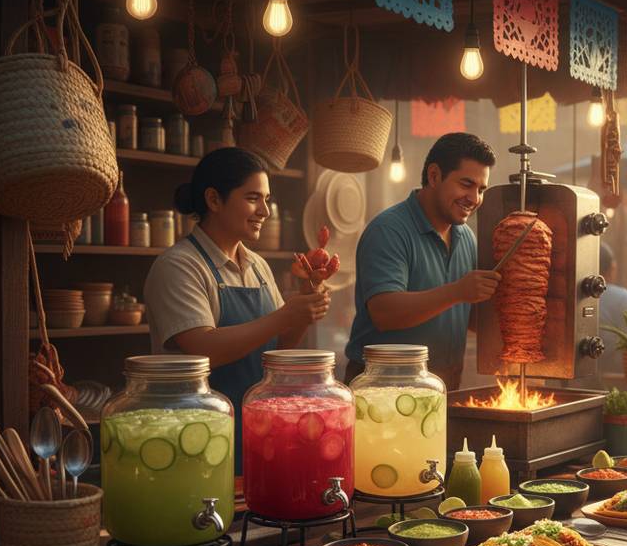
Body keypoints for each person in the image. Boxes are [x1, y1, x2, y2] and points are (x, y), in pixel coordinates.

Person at [146, 147, 330, 471]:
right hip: (197, 434)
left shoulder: (257, 265)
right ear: (214, 200)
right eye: (252, 198)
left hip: (255, 429)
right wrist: (286, 315)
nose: (265, 211)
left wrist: (304, 306)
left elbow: (278, 347)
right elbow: (203, 350)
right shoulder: (178, 266)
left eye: (267, 199)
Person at [344, 133, 500, 389]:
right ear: (434, 175)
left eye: (481, 189)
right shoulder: (389, 230)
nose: (474, 198)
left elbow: (468, 316)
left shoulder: (467, 237)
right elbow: (385, 312)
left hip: (444, 387)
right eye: (466, 184)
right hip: (382, 390)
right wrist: (458, 291)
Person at [597, 242, 627, 376]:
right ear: (612, 268)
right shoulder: (621, 297)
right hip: (614, 378)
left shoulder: (574, 296)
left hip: (576, 381)